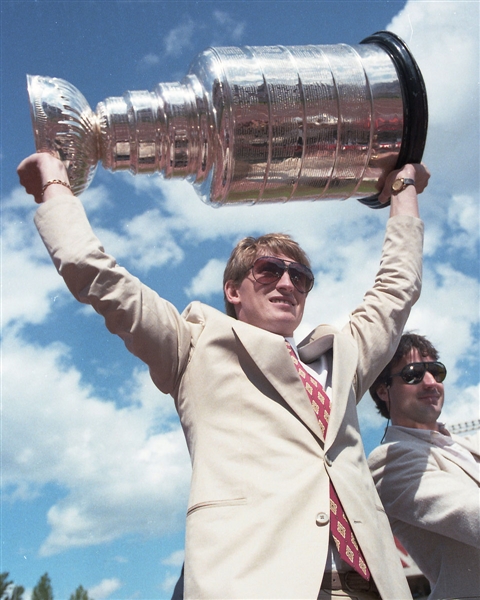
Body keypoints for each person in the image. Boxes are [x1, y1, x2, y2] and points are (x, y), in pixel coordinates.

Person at [17, 151, 429, 600]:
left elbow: (396, 287)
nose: (288, 283)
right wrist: (55, 188)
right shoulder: (192, 345)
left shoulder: (343, 357)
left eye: (301, 277)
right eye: (269, 271)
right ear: (234, 290)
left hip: (374, 586)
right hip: (256, 583)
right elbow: (101, 277)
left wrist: (403, 190)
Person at [368, 333, 480, 600]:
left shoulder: (465, 445)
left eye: (436, 372)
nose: (431, 383)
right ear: (383, 390)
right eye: (413, 374)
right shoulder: (390, 462)